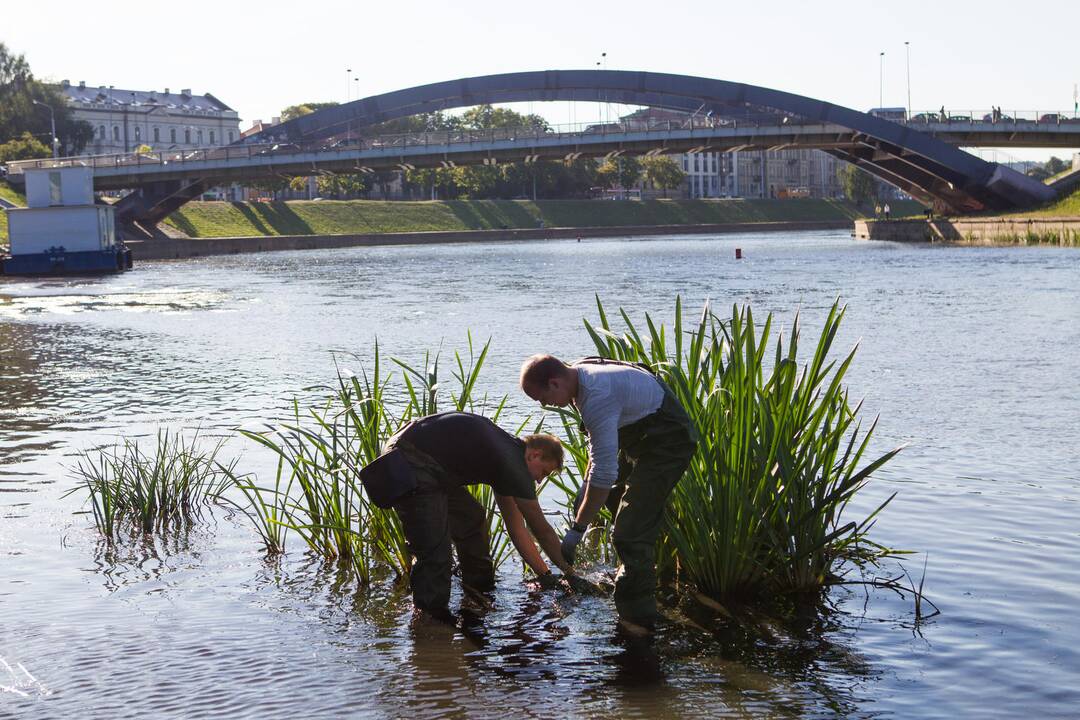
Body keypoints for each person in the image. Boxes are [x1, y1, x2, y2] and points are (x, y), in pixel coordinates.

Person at [519, 355, 698, 635]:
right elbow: (598, 453)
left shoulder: (597, 396)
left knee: (629, 531)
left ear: (554, 382)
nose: (544, 405)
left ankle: (636, 622)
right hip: (639, 433)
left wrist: (577, 529)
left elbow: (604, 473)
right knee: (611, 499)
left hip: (668, 442)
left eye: (541, 397)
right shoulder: (577, 377)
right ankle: (640, 564)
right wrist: (584, 487)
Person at [359, 412, 577, 621]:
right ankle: (430, 621)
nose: (540, 481)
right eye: (544, 472)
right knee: (435, 551)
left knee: (471, 518)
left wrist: (545, 575)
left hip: (424, 458)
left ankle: (480, 590)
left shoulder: (507, 458)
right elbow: (542, 530)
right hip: (410, 459)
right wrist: (569, 575)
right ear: (535, 454)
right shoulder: (513, 463)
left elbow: (516, 527)